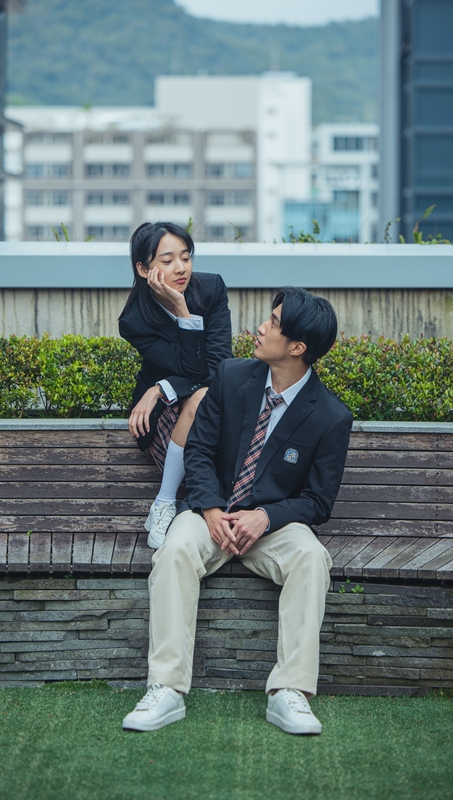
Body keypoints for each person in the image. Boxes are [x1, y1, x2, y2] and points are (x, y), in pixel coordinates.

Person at [122, 287, 353, 735]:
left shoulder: (330, 416)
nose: (261, 327)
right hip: (210, 514)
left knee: (311, 557)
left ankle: (290, 692)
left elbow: (318, 501)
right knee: (174, 550)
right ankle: (166, 688)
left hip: (272, 526)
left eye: (274, 323)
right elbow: (199, 451)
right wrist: (209, 508)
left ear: (297, 348)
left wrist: (265, 517)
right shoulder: (231, 376)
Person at [119, 221, 232, 548]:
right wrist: (163, 392)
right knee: (201, 396)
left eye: (186, 257)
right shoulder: (134, 321)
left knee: (204, 395)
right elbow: (192, 369)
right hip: (163, 416)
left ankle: (177, 505)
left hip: (196, 399)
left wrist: (158, 389)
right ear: (144, 269)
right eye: (167, 261)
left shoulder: (211, 289)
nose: (181, 268)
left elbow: (216, 367)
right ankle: (165, 503)